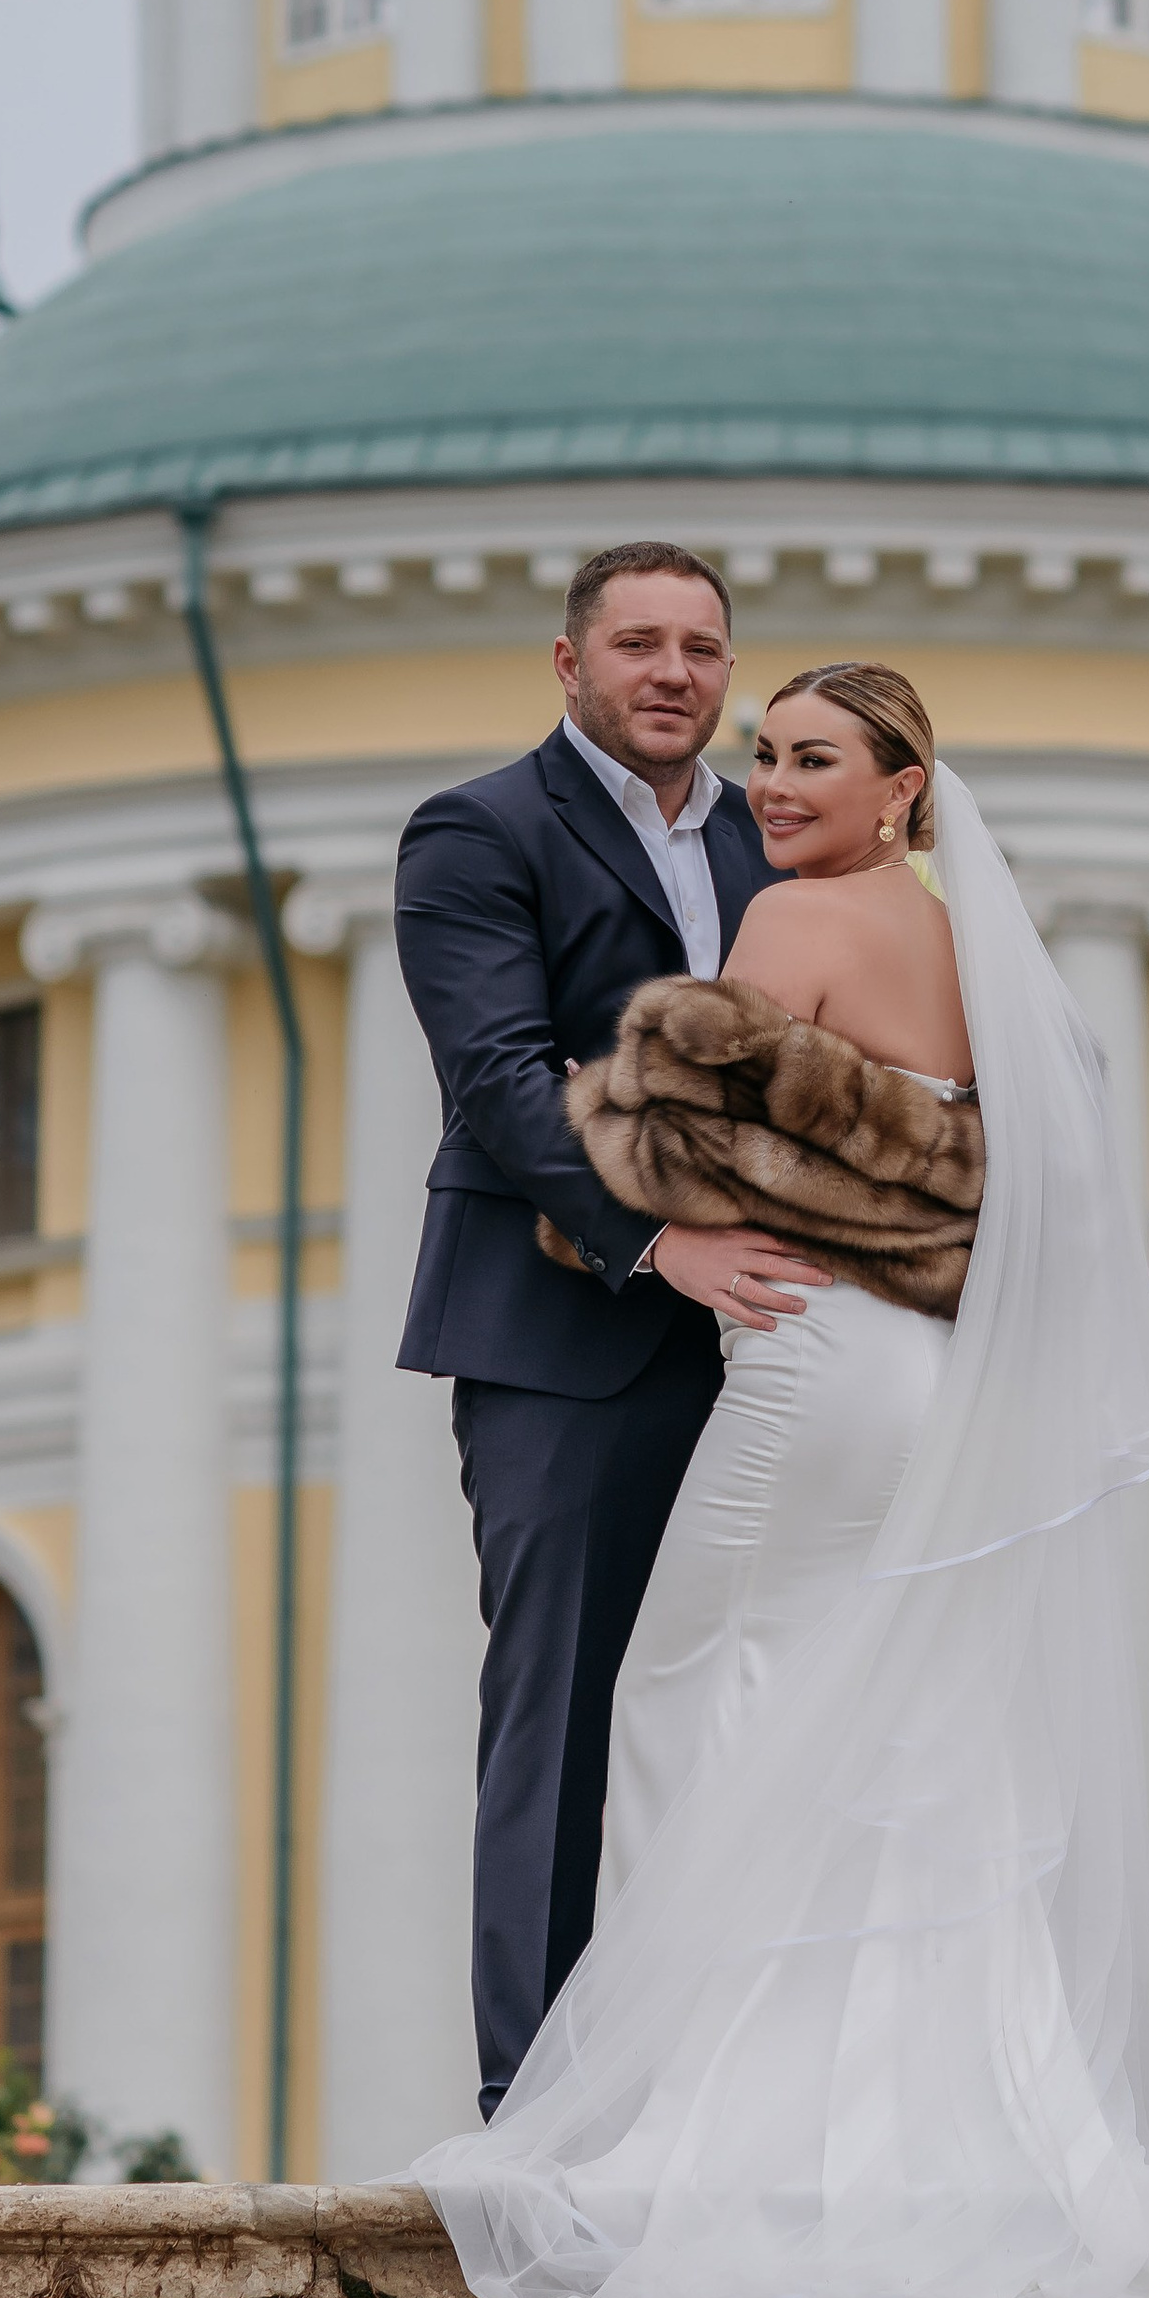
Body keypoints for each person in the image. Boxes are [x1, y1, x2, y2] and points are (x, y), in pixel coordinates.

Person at [415, 659, 1149, 2298]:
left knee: (684, 1692)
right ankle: (936, 2111)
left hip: (810, 1366)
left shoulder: (797, 922)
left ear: (900, 785)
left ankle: (686, 2116)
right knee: (893, 1724)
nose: (776, 784)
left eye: (813, 759)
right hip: (934, 1377)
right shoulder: (979, 955)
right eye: (767, 759)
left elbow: (650, 1144)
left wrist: (636, 1235)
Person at [392, 543, 795, 2118]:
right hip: (566, 1337)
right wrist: (657, 1243)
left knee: (766, 1700)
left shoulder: (777, 840)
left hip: (775, 1340)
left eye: (702, 646)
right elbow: (496, 1081)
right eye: (639, 643)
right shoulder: (480, 832)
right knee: (563, 1714)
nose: (674, 673)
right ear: (569, 664)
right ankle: (540, 2116)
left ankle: (729, 2093)